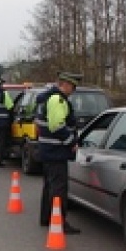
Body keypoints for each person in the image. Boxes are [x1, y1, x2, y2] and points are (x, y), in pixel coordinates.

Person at [36, 72, 83, 235]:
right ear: (65, 84)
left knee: (49, 185)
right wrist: (72, 141)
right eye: (73, 86)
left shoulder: (47, 98)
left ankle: (46, 217)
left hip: (48, 149)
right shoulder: (58, 99)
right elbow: (57, 126)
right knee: (59, 188)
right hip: (56, 150)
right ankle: (59, 221)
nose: (74, 90)